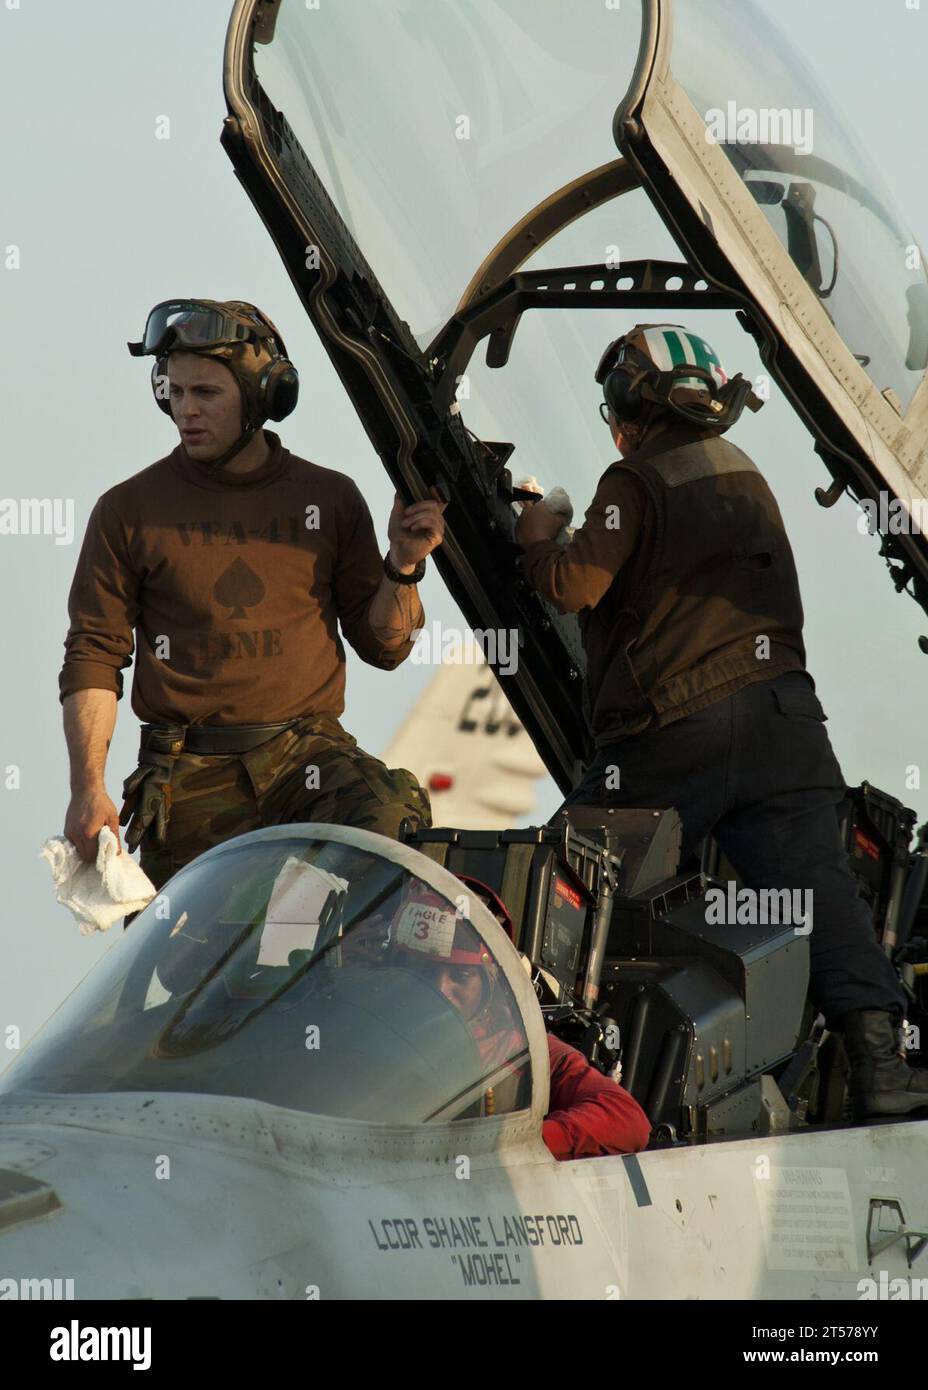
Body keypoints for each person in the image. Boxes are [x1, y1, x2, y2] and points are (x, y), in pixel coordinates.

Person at [515, 322, 928, 1123]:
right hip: (786, 725)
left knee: (565, 887)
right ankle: (881, 1066)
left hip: (674, 731)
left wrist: (537, 531)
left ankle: (522, 1066)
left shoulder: (634, 482)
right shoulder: (746, 474)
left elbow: (571, 584)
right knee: (822, 899)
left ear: (634, 405)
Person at [60, 299, 445, 895]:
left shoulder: (330, 498)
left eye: (206, 393)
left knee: (389, 822)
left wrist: (403, 564)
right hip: (188, 776)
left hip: (306, 756)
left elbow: (385, 647)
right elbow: (94, 654)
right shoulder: (129, 510)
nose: (185, 410)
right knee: (199, 977)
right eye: (174, 391)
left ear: (265, 394)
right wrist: (89, 788)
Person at [389, 878, 651, 1157]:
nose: (441, 990)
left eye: (460, 975)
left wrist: (515, 1148)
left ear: (492, 981)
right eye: (425, 972)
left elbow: (625, 1118)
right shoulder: (367, 1027)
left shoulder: (523, 1050)